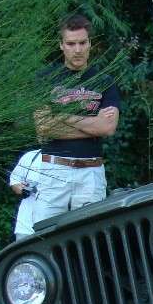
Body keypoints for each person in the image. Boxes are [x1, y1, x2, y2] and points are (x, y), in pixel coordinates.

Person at [33, 14, 121, 222]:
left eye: (82, 42)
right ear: (61, 45)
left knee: (91, 237)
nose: (78, 49)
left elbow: (107, 128)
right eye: (71, 43)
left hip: (91, 173)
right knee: (45, 236)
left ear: (90, 43)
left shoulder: (105, 79)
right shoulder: (44, 79)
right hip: (54, 170)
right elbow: (43, 127)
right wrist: (91, 125)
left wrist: (62, 116)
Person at [9, 149, 43, 240]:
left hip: (53, 222)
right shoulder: (31, 156)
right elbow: (14, 180)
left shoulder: (67, 157)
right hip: (26, 223)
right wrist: (21, 188)